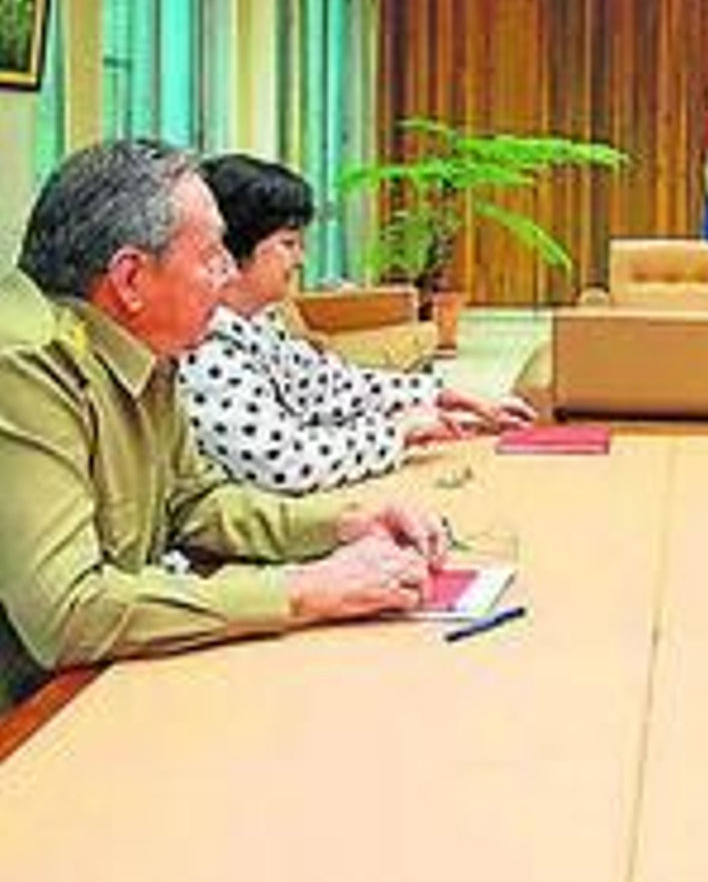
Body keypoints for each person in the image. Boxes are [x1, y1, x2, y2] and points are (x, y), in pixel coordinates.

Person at [0, 141, 449, 715]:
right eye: (213, 258)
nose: (227, 276)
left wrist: (343, 524)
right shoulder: (29, 366)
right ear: (131, 278)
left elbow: (196, 503)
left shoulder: (144, 350)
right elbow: (68, 611)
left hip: (97, 685)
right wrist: (304, 591)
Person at [177, 154, 527, 495]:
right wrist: (396, 431)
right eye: (288, 244)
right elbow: (286, 465)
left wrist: (448, 398)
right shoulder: (204, 348)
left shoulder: (258, 322)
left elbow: (328, 385)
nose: (301, 260)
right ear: (227, 252)